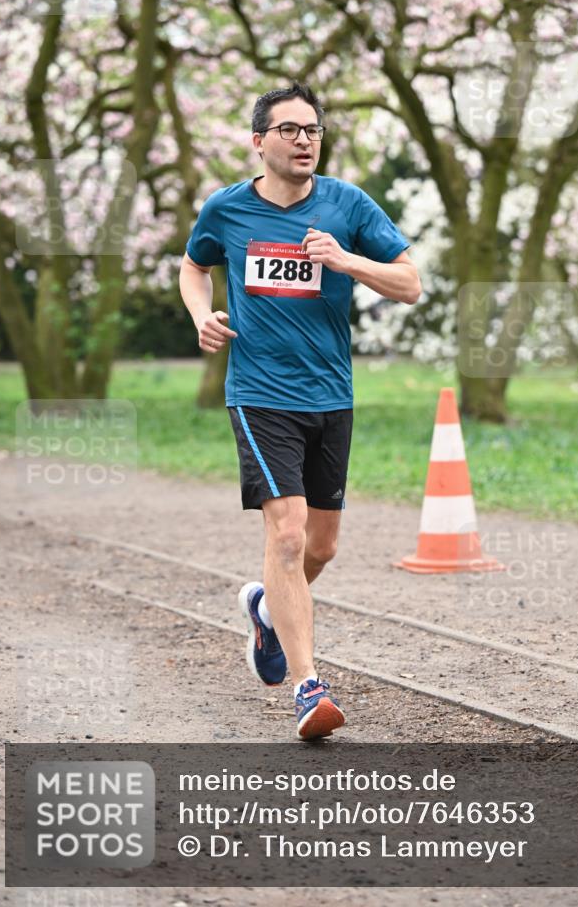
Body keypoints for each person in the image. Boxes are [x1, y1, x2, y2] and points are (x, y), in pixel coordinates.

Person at [179, 83, 421, 740]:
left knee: (320, 546)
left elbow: (410, 283)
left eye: (311, 129)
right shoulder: (226, 210)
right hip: (260, 396)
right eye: (288, 130)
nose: (304, 139)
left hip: (330, 396)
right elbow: (192, 266)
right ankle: (308, 689)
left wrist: (346, 260)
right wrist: (203, 317)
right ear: (259, 142)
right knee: (284, 536)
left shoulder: (348, 205)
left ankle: (263, 607)